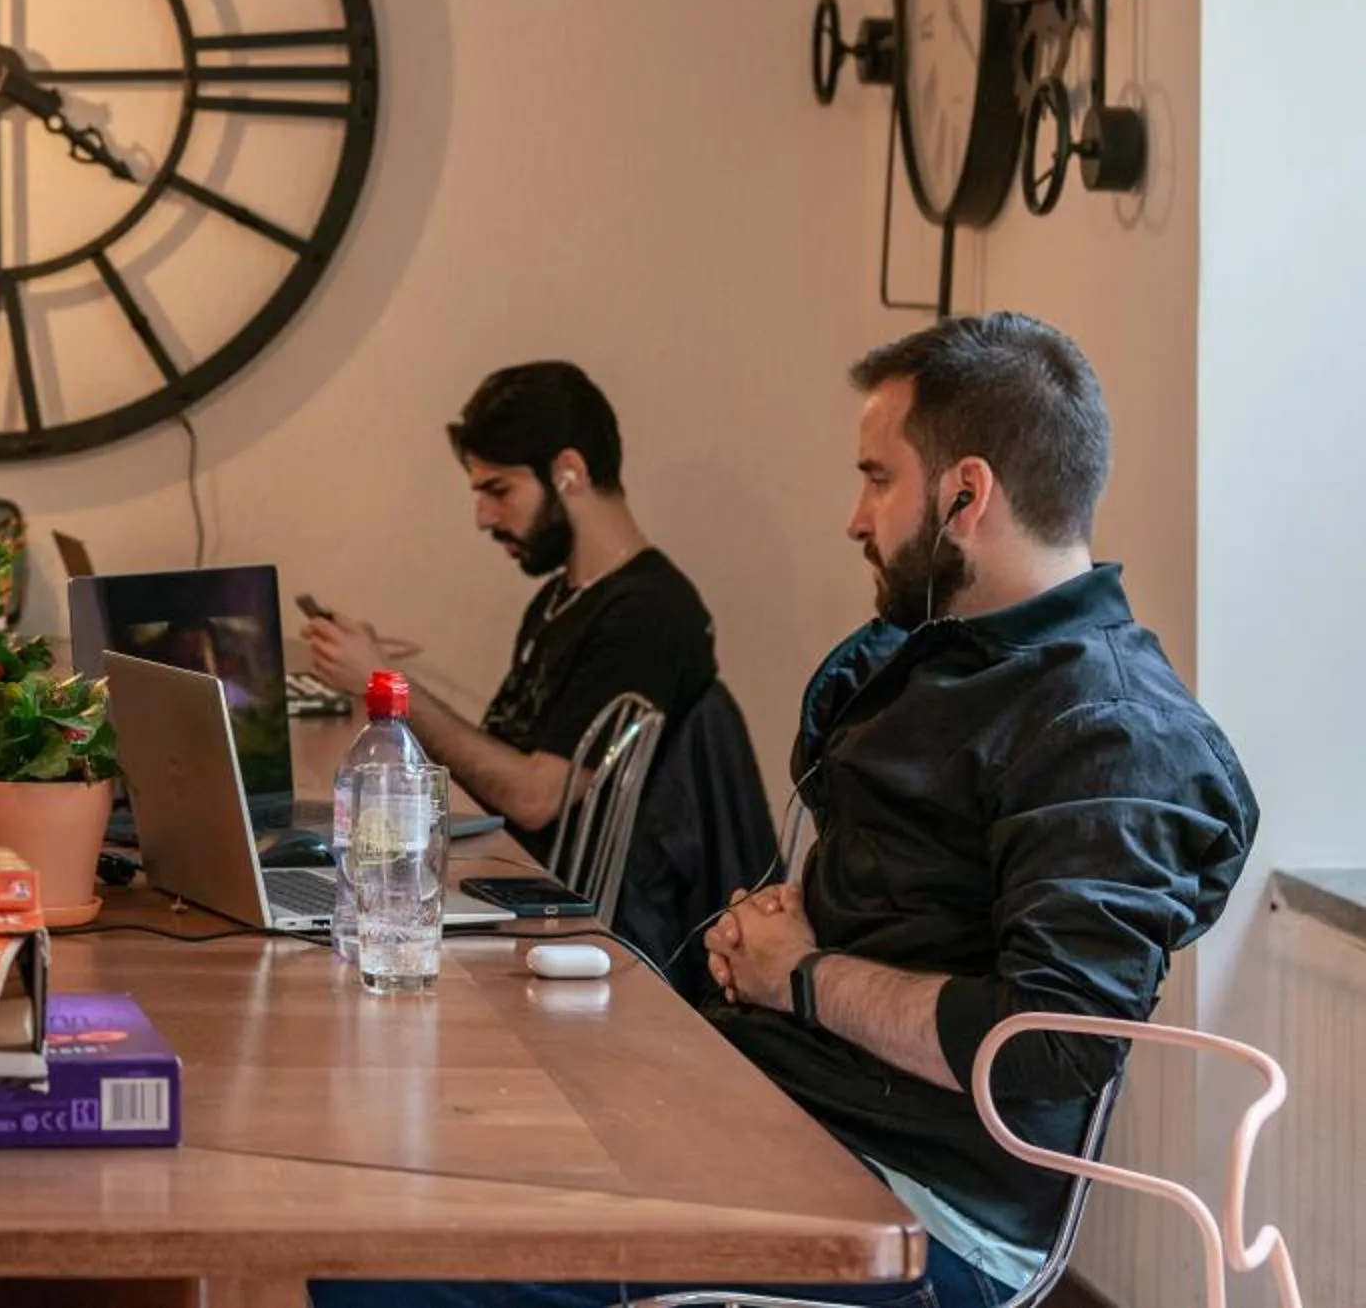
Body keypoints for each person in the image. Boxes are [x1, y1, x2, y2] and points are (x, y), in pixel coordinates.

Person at [310, 314, 1259, 1308]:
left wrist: (799, 974)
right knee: (384, 1162)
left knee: (377, 1269)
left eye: (878, 478)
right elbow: (902, 907)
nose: (855, 517)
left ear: (966, 493)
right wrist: (774, 933)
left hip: (910, 1211)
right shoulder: (930, 661)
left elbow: (1046, 1044)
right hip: (769, 1112)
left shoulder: (1109, 732)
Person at [300, 361, 718, 842]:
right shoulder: (558, 599)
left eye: (499, 490)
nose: (482, 517)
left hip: (547, 904)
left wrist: (387, 684)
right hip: (494, 863)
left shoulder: (645, 616)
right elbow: (500, 763)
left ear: (569, 472)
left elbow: (536, 798)